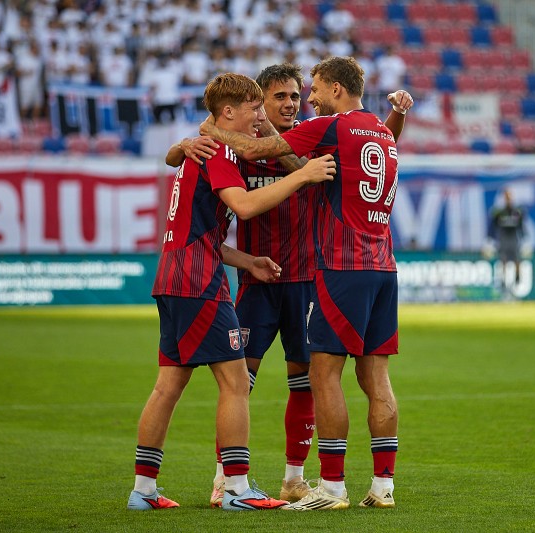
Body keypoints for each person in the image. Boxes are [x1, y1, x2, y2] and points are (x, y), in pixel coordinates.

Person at [171, 63, 413, 508]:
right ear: (258, 102)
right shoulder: (245, 146)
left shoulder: (316, 135)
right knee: (240, 383)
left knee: (308, 382)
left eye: (299, 95)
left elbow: (344, 148)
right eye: (279, 96)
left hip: (309, 280)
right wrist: (186, 142)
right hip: (260, 280)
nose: (293, 102)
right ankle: (226, 477)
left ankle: (296, 479)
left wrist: (210, 129)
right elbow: (372, 142)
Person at [127, 72, 336, 512]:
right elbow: (243, 206)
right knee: (236, 381)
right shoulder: (220, 150)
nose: (260, 115)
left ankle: (142, 490)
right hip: (199, 282)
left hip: (174, 275)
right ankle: (237, 489)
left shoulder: (200, 148)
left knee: (168, 386)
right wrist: (302, 176)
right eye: (255, 107)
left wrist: (248, 262)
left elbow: (202, 229)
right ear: (228, 112)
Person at [488, 188, 526, 288]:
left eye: (509, 196)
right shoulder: (499, 213)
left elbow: (521, 226)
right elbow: (493, 226)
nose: (508, 199)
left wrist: (524, 239)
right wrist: (490, 239)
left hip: (513, 238)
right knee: (503, 259)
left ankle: (517, 278)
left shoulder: (516, 212)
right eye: (506, 196)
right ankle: (503, 280)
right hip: (503, 238)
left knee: (517, 259)